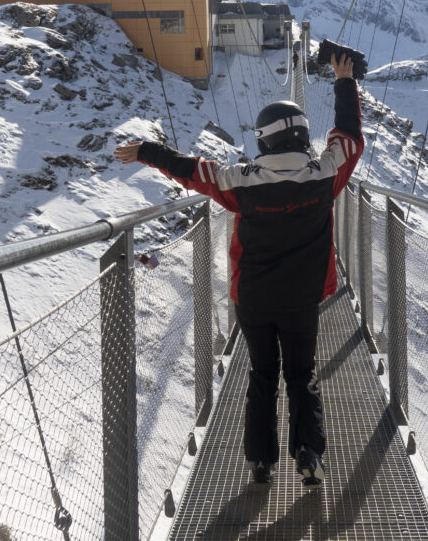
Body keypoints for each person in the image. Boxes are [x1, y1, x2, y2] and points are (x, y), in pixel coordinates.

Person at [114, 53, 363, 488]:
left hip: (253, 298)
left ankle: (260, 462)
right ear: (304, 135)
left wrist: (149, 151)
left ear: (263, 141)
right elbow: (350, 138)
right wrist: (344, 83)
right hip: (303, 297)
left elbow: (192, 171)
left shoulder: (238, 181)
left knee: (262, 373)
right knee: (301, 373)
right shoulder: (325, 174)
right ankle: (309, 451)